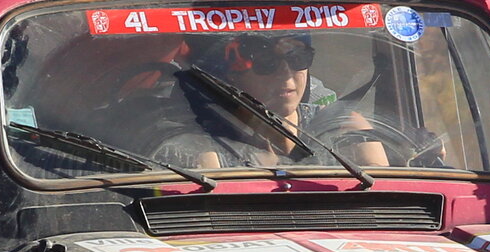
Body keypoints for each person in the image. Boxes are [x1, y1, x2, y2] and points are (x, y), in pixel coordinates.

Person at [151, 33, 389, 172]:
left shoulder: (342, 127)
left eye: (298, 58)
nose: (286, 74)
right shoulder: (204, 146)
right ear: (231, 75)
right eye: (266, 62)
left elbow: (387, 198)